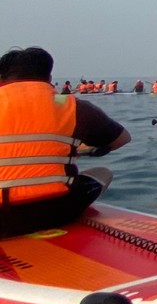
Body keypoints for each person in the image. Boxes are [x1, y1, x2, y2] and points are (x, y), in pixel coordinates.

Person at [0, 47, 131, 237]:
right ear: (49, 78)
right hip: (54, 212)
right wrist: (83, 150)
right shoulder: (70, 105)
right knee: (103, 173)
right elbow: (122, 139)